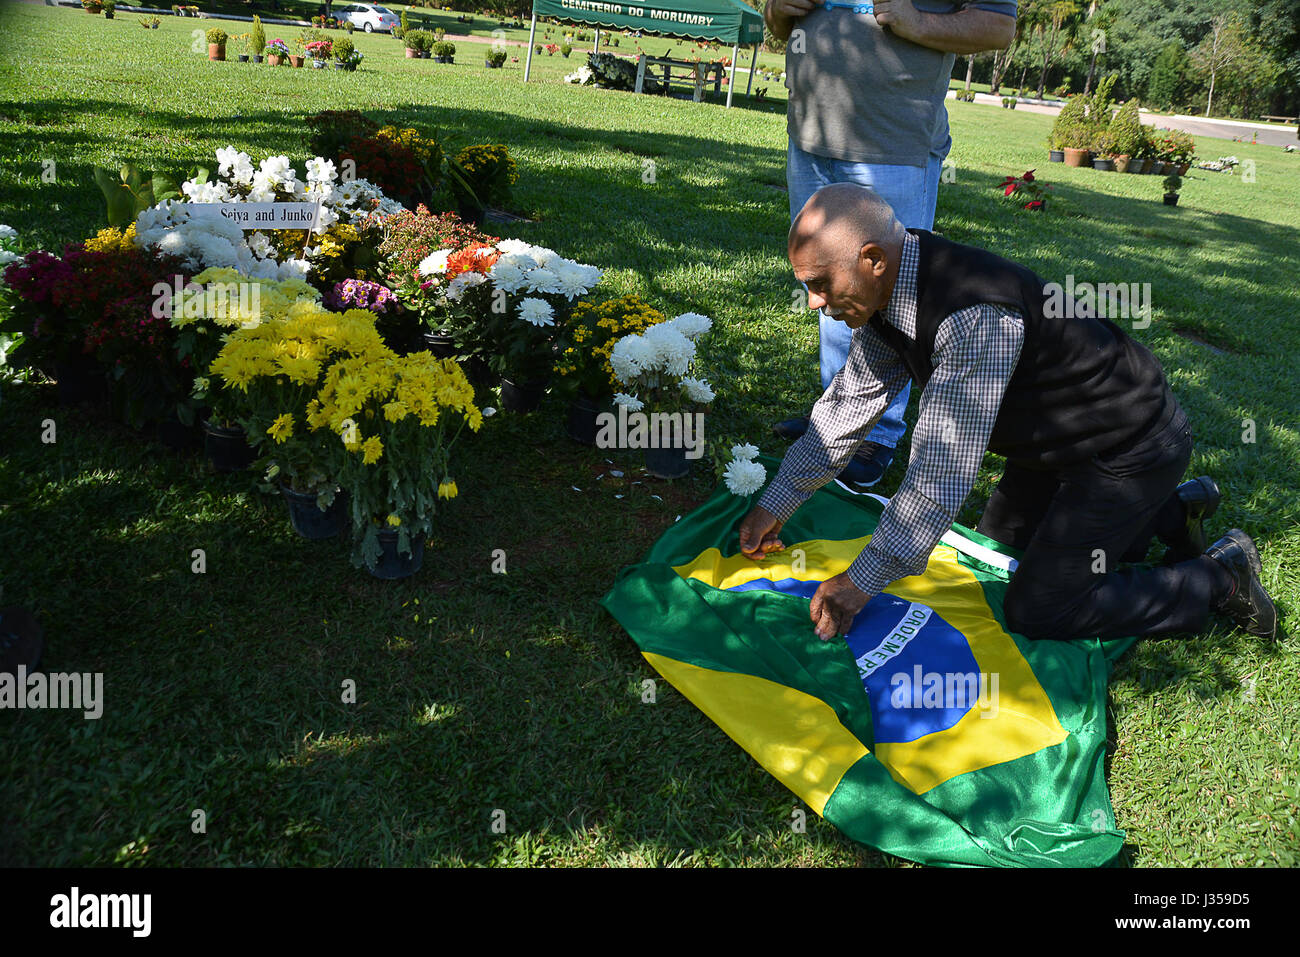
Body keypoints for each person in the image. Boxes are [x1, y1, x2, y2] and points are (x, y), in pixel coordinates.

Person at [737, 184, 1277, 644]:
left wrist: (860, 583)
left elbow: (939, 474)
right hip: (1055, 444)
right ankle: (1172, 513)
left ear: (872, 259)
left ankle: (1217, 578)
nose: (813, 301)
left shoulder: (972, 317)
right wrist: (776, 505)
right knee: (997, 548)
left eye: (819, 283)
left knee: (1040, 608)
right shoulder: (884, 289)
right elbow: (847, 407)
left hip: (1128, 447)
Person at [764, 0, 1017, 487]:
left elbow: (999, 26)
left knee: (886, 293)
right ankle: (834, 426)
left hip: (892, 148)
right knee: (832, 285)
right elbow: (779, 24)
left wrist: (916, 21)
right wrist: (779, 9)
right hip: (811, 138)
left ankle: (876, 436)